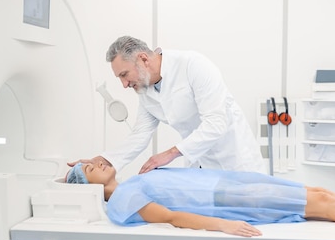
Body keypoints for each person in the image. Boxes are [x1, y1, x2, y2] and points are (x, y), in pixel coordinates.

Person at [65, 161, 335, 237]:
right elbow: (170, 217)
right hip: (228, 202)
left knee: (322, 194)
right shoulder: (121, 202)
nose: (96, 160)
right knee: (324, 206)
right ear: (87, 185)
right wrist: (223, 226)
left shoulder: (133, 180)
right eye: (88, 166)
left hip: (229, 185)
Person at [70, 36, 265, 175]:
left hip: (236, 160)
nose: (124, 84)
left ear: (144, 60)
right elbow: (140, 134)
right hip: (199, 166)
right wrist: (105, 159)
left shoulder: (193, 65)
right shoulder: (146, 90)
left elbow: (216, 122)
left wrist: (169, 154)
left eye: (124, 75)